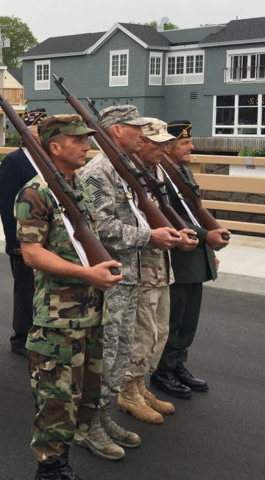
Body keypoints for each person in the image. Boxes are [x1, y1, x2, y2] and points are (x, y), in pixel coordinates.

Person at [15, 114, 122, 480]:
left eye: (87, 139)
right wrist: (86, 274)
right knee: (56, 402)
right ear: (55, 147)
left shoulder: (78, 187)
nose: (86, 146)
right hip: (58, 320)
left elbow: (85, 240)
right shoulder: (35, 191)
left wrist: (104, 264)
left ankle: (62, 464)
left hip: (92, 314)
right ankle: (49, 469)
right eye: (78, 141)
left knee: (85, 398)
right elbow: (32, 253)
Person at [79, 105, 181, 461]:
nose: (141, 133)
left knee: (122, 352)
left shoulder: (125, 169)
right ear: (115, 130)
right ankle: (89, 424)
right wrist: (148, 236)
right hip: (112, 274)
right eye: (134, 127)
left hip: (130, 272)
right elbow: (102, 227)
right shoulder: (98, 172)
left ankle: (104, 417)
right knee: (105, 356)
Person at [118, 118, 197, 424]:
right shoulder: (129, 173)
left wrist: (180, 234)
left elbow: (162, 212)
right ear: (143, 143)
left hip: (160, 266)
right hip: (140, 266)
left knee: (158, 331)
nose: (165, 148)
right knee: (141, 332)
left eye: (167, 143)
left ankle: (140, 385)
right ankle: (127, 390)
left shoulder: (155, 171)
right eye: (159, 143)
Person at [152, 120, 230, 398]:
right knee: (172, 317)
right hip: (178, 253)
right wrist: (205, 236)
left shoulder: (182, 171)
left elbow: (195, 211)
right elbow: (170, 217)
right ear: (169, 147)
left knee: (188, 317)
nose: (191, 147)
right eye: (184, 143)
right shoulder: (158, 174)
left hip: (195, 252)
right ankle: (162, 370)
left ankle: (177, 363)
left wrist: (208, 248)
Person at [0, 109, 46, 356]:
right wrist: (13, 240)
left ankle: (40, 333)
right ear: (26, 133)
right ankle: (21, 337)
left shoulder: (47, 158)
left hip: (45, 239)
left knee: (43, 289)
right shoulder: (15, 160)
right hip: (23, 238)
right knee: (26, 290)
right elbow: (6, 203)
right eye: (40, 128)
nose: (44, 133)